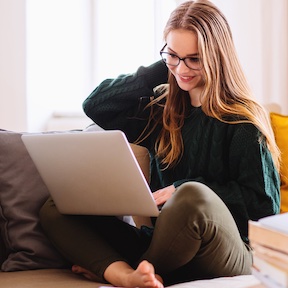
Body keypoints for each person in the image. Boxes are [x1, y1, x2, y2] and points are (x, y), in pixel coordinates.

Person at [40, 0, 281, 287]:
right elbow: (96, 105)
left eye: (194, 58)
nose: (182, 69)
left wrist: (180, 190)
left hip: (228, 249)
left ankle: (132, 270)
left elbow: (264, 205)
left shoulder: (242, 121)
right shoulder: (161, 111)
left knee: (191, 196)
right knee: (56, 207)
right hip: (164, 244)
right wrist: (165, 65)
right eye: (173, 56)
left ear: (217, 56)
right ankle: (130, 275)